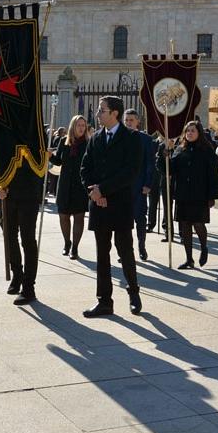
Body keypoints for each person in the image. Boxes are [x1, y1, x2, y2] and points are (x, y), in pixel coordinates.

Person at [80, 96, 143, 317]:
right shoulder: (95, 138)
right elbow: (85, 168)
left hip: (120, 203)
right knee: (102, 254)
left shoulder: (131, 138)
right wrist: (95, 193)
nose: (97, 114)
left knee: (125, 251)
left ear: (114, 113)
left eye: (101, 110)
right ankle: (104, 301)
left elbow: (130, 172)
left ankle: (134, 293)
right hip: (99, 203)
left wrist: (103, 190)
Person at [165, 121, 218, 269]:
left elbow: (213, 175)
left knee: (198, 223)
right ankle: (189, 259)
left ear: (199, 133)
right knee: (185, 226)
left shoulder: (207, 150)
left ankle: (204, 247)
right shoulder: (179, 149)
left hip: (200, 193)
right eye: (187, 131)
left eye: (193, 131)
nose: (189, 133)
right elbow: (171, 169)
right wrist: (166, 155)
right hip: (183, 193)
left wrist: (212, 196)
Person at [0, 160, 42, 305]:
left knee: (27, 240)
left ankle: (29, 287)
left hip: (28, 192)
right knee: (9, 237)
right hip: (8, 193)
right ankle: (17, 274)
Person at [49, 115, 89, 260]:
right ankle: (67, 243)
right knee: (63, 215)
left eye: (83, 125)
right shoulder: (63, 142)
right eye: (78, 125)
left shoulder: (88, 143)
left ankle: (75, 248)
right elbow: (58, 161)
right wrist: (49, 156)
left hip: (80, 185)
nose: (81, 128)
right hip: (65, 183)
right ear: (73, 126)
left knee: (79, 217)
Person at [123, 109, 154, 261]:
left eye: (131, 120)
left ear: (137, 122)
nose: (128, 123)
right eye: (126, 120)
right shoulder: (119, 138)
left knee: (140, 219)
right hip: (122, 188)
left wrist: (148, 183)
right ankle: (125, 251)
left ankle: (142, 246)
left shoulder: (145, 139)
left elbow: (149, 163)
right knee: (123, 221)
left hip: (139, 187)